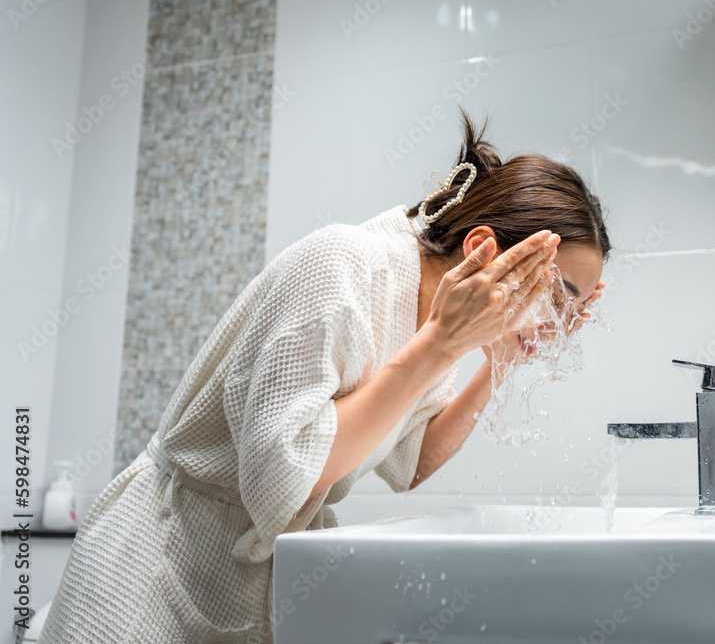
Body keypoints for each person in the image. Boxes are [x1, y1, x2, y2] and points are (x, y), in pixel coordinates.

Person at [37, 109, 611, 643]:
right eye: (558, 295)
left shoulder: (430, 322)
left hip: (248, 576)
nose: (560, 321)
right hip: (152, 568)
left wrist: (499, 363)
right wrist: (439, 347)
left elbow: (412, 463)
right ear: (483, 249)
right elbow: (285, 471)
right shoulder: (341, 264)